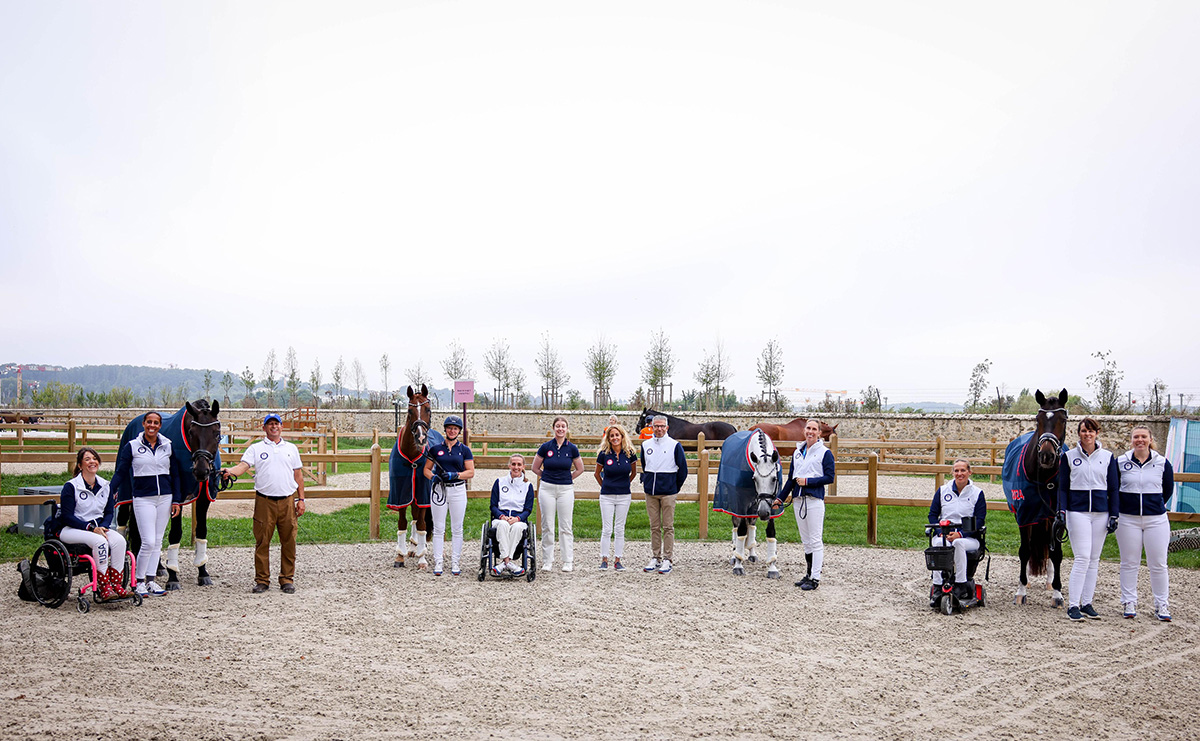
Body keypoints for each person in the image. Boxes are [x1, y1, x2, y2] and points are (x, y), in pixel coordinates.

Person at [221, 413, 305, 594]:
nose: (273, 427)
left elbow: (298, 475)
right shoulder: (255, 449)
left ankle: (287, 579)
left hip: (288, 501)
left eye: (276, 424)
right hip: (264, 501)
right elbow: (243, 466)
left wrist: (302, 499)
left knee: (289, 542)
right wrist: (230, 471)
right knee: (262, 542)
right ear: (264, 428)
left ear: (282, 427)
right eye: (270, 424)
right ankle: (262, 580)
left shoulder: (291, 448)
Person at [1056, 418, 1119, 621]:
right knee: (1082, 557)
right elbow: (1063, 488)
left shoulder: (1108, 457)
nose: (1087, 434)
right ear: (1079, 433)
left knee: (1094, 560)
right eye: (1084, 431)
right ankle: (1073, 605)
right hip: (1078, 512)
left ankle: (1087, 603)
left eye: (1091, 431)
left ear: (1097, 433)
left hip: (1101, 512)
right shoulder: (1068, 456)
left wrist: (1114, 514)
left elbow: (1113, 488)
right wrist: (1062, 511)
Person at [113, 411, 181, 597]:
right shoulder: (132, 446)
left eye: (156, 423)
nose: (152, 425)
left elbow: (174, 473)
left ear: (160, 425)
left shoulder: (167, 445)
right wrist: (109, 490)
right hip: (143, 498)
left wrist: (176, 499)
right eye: (149, 422)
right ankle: (138, 581)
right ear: (144, 423)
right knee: (148, 541)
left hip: (165, 498)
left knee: (158, 541)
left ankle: (151, 581)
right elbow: (121, 472)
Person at [51, 447, 129, 601]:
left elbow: (108, 512)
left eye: (94, 458)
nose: (92, 461)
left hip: (98, 528)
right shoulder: (71, 486)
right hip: (72, 529)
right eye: (87, 459)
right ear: (80, 465)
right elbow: (67, 516)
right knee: (100, 541)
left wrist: (104, 527)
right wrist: (91, 528)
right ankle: (104, 586)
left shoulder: (105, 486)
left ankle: (116, 584)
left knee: (120, 541)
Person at [1115, 425, 1174, 621]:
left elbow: (1167, 490)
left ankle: (1162, 604)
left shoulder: (1162, 463)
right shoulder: (1121, 462)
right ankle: (1129, 601)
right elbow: (1114, 488)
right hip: (1128, 519)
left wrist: (1153, 506)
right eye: (1136, 437)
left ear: (1150, 439)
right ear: (1131, 440)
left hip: (1156, 520)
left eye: (1143, 437)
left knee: (1158, 564)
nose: (1140, 440)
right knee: (1129, 562)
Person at [776, 419, 835, 590]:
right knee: (806, 541)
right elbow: (791, 479)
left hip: (814, 500)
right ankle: (808, 574)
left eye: (814, 429)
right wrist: (780, 498)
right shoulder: (797, 452)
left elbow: (829, 477)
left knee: (815, 540)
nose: (810, 431)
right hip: (798, 500)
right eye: (808, 428)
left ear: (819, 433)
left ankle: (815, 578)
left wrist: (808, 481)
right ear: (804, 431)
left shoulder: (825, 453)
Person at [925, 459, 986, 607]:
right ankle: (938, 585)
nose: (960, 474)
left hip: (968, 537)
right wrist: (940, 532)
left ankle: (961, 584)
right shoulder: (942, 491)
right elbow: (933, 515)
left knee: (958, 543)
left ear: (969, 472)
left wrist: (961, 534)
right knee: (938, 544)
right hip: (944, 534)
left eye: (963, 470)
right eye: (956, 471)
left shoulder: (977, 493)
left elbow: (979, 520)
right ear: (952, 473)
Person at [423, 415, 475, 576]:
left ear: (459, 431)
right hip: (439, 490)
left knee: (457, 528)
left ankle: (455, 562)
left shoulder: (464, 450)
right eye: (449, 428)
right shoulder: (435, 449)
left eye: (455, 429)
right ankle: (438, 562)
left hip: (457, 490)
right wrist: (434, 477)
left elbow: (470, 472)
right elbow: (426, 470)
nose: (452, 431)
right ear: (445, 429)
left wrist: (455, 475)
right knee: (438, 528)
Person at [532, 416, 584, 572]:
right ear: (553, 428)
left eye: (563, 426)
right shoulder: (545, 447)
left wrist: (568, 478)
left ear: (567, 429)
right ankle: (547, 561)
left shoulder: (572, 448)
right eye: (558, 426)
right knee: (547, 525)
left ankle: (567, 561)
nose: (560, 429)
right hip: (547, 488)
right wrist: (547, 478)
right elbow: (535, 468)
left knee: (565, 526)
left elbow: (580, 468)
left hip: (565, 490)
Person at [640, 415, 687, 574]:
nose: (659, 429)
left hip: (668, 492)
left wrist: (674, 487)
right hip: (651, 493)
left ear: (667, 428)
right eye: (656, 426)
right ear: (652, 427)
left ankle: (668, 559)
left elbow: (683, 470)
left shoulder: (675, 445)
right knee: (654, 526)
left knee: (668, 527)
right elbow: (644, 465)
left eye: (662, 426)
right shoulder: (646, 445)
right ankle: (655, 557)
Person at [594, 423, 638, 571]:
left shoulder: (630, 453)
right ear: (608, 438)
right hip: (607, 495)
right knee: (607, 529)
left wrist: (624, 484)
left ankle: (618, 560)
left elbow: (633, 473)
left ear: (622, 436)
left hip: (624, 495)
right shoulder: (604, 454)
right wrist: (605, 485)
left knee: (620, 529)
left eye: (617, 435)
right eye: (612, 436)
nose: (614, 438)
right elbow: (597, 473)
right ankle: (604, 559)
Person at [489, 454, 536, 576]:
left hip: (518, 519)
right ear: (509, 465)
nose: (516, 467)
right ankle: (508, 562)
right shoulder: (499, 482)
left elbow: (528, 509)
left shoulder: (527, 486)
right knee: (503, 525)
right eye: (513, 464)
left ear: (523, 466)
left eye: (519, 464)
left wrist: (517, 518)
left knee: (517, 527)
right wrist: (502, 516)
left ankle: (504, 564)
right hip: (501, 517)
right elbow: (493, 506)